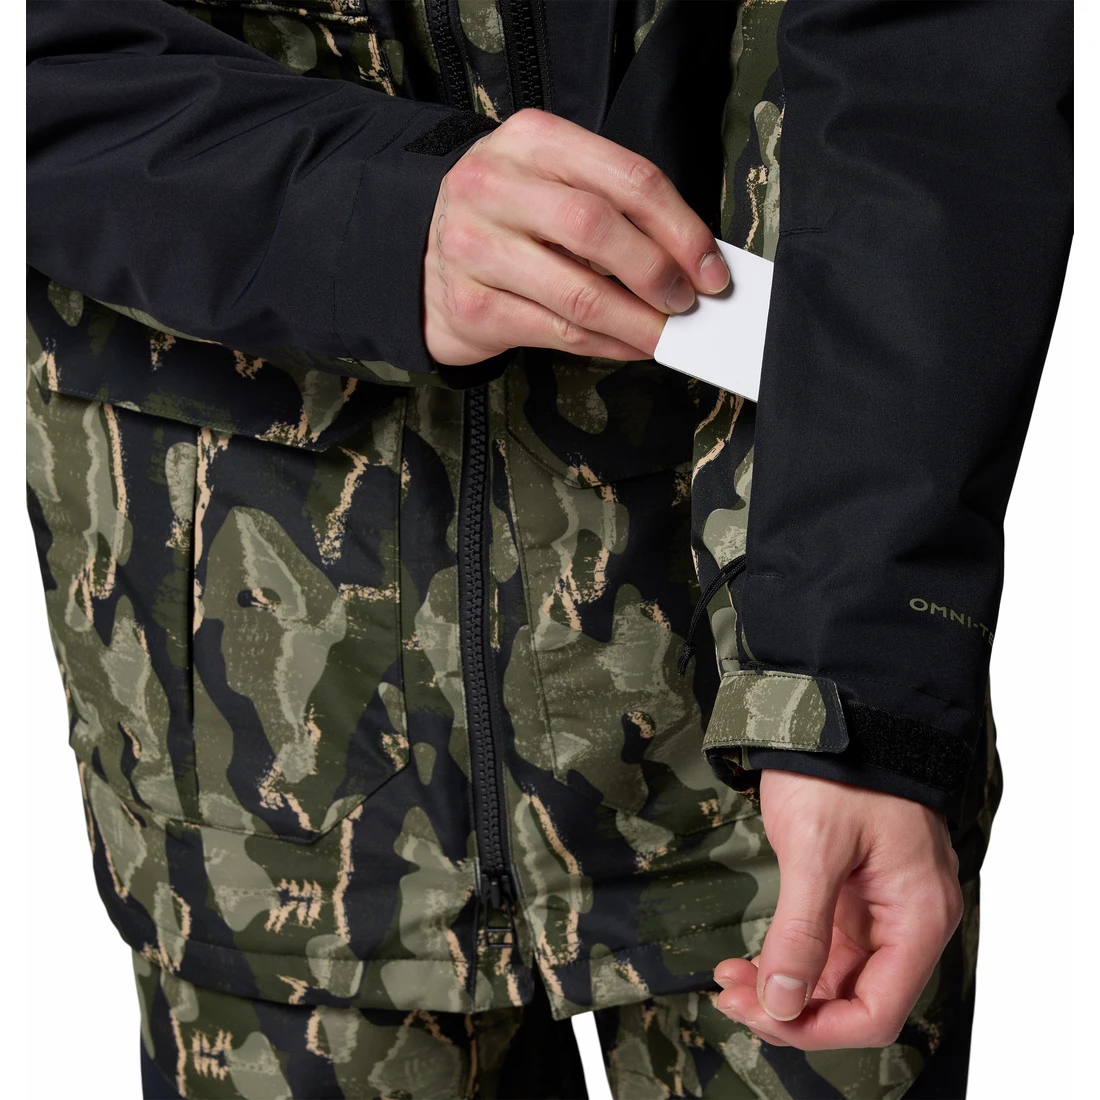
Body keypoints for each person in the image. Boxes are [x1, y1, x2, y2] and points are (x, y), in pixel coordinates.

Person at [25, 0, 1072, 1097]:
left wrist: (857, 689)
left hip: (779, 710)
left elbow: (930, 65)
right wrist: (363, 213)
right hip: (263, 763)